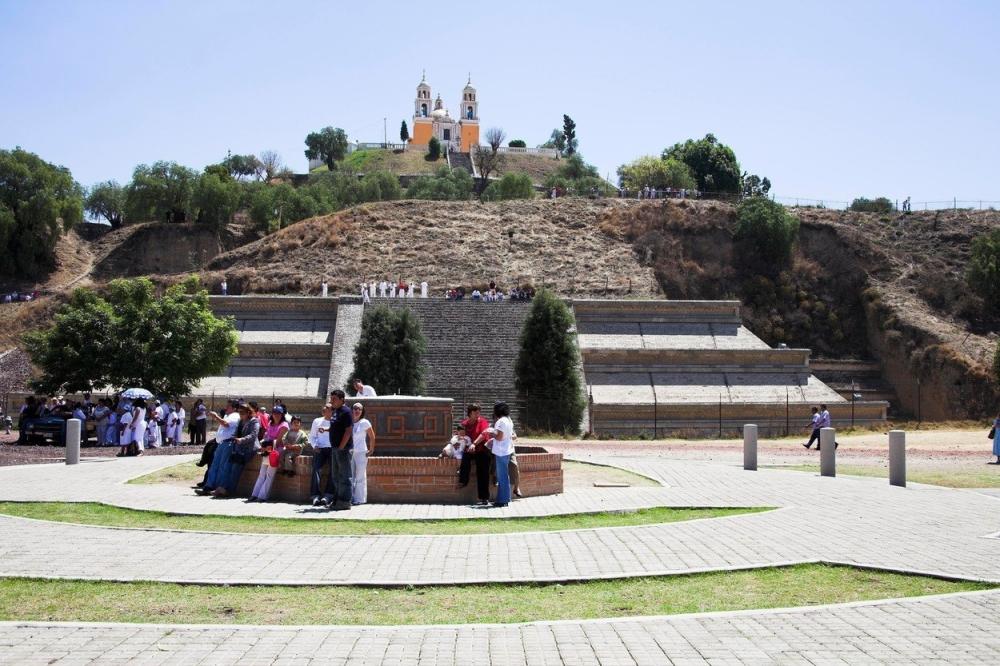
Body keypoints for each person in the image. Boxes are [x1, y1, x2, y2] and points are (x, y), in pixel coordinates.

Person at [211, 403, 260, 497]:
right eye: (239, 412)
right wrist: (234, 438)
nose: (240, 414)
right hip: (238, 447)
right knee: (228, 466)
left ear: (249, 412)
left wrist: (241, 440)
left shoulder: (254, 421)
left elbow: (253, 436)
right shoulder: (241, 421)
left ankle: (229, 490)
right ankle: (222, 488)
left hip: (249, 448)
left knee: (235, 467)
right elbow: (236, 432)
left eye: (242, 412)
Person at [198, 400, 241, 492]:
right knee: (214, 465)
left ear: (234, 408)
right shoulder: (227, 415)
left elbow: (226, 424)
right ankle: (209, 486)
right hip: (221, 443)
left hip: (228, 443)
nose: (226, 408)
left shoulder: (235, 416)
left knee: (223, 466)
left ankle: (219, 487)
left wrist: (216, 417)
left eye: (229, 406)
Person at [249, 406, 290, 502]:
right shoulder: (270, 423)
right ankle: (254, 494)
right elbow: (266, 436)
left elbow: (279, 441)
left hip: (276, 451)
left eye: (279, 413)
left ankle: (262, 496)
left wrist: (267, 445)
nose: (276, 415)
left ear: (282, 414)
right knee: (261, 473)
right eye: (275, 413)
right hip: (267, 450)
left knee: (269, 474)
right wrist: (263, 445)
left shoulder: (284, 425)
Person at [326, 390, 355, 510]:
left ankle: (345, 501)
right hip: (335, 447)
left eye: (335, 399)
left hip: (343, 448)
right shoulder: (336, 411)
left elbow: (348, 431)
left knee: (344, 476)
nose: (332, 401)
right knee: (336, 476)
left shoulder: (346, 412)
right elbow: (336, 427)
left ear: (342, 399)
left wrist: (342, 447)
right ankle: (337, 500)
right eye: (331, 398)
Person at [459, 404, 492, 505]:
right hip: (470, 449)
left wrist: (474, 444)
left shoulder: (482, 421)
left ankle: (484, 497)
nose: (478, 414)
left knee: (483, 471)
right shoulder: (464, 424)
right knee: (465, 457)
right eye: (475, 412)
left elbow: (483, 434)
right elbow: (459, 435)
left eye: (479, 412)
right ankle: (463, 481)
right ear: (470, 413)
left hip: (482, 449)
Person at [488, 401, 514, 508]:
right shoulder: (509, 420)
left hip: (501, 451)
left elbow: (499, 437)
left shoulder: (500, 421)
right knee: (504, 476)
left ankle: (502, 500)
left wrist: (490, 432)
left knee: (502, 476)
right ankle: (504, 499)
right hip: (507, 450)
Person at [350, 403, 375, 505]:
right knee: (350, 476)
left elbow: (372, 437)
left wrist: (371, 449)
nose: (357, 410)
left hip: (361, 453)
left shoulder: (365, 422)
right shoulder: (348, 421)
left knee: (360, 476)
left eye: (359, 409)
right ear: (352, 410)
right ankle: (350, 498)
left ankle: (359, 499)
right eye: (355, 408)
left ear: (362, 411)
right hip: (350, 452)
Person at [309, 404, 333, 505]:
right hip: (320, 449)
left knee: (334, 471)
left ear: (332, 411)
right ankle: (315, 496)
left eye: (327, 408)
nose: (324, 409)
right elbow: (312, 436)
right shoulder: (317, 421)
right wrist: (314, 446)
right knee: (316, 469)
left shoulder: (335, 421)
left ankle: (328, 495)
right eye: (324, 408)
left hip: (333, 449)